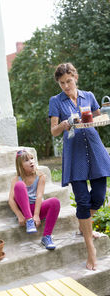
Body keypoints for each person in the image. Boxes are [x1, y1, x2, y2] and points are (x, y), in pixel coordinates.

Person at [49, 62, 110, 270]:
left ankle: (84, 224)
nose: (66, 86)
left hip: (95, 150)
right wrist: (64, 125)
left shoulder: (89, 96)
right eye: (62, 83)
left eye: (69, 81)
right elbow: (54, 131)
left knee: (99, 196)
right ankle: (90, 249)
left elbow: (98, 116)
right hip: (74, 155)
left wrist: (103, 114)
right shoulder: (56, 101)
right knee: (83, 201)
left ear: (75, 77)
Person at [9, 149, 60, 250]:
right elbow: (11, 200)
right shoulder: (16, 179)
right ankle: (29, 221)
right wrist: (19, 215)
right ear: (20, 165)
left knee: (55, 202)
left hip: (37, 209)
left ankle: (47, 236)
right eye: (26, 160)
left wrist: (36, 215)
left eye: (32, 158)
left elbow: (39, 196)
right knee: (19, 185)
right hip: (25, 211)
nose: (31, 161)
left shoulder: (40, 176)